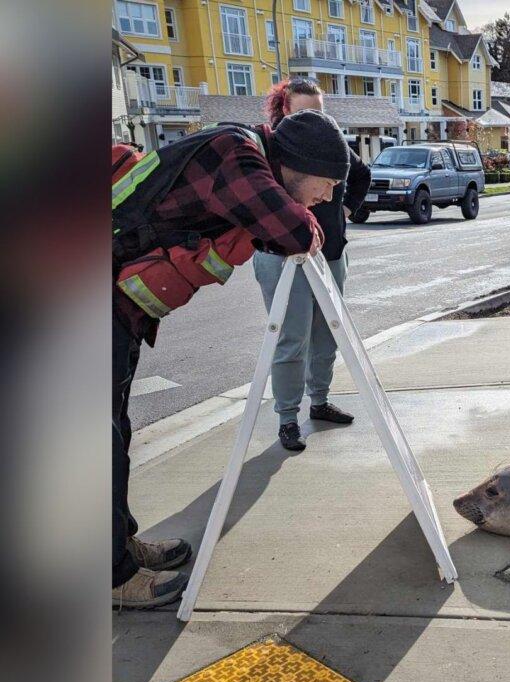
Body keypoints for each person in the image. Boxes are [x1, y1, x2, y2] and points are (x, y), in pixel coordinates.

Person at [112, 110, 350, 608]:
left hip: (112, 305)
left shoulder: (240, 157)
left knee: (115, 432)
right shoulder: (236, 157)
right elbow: (295, 233)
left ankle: (117, 547)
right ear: (297, 165)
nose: (327, 196)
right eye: (326, 184)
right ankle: (112, 578)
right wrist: (303, 221)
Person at [253, 78, 372, 452]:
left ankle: (318, 401)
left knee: (327, 335)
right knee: (291, 338)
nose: (316, 119)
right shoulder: (271, 156)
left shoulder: (329, 144)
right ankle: (288, 418)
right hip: (281, 257)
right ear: (285, 111)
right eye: (306, 112)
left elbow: (362, 173)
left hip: (331, 252)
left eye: (319, 111)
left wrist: (347, 210)